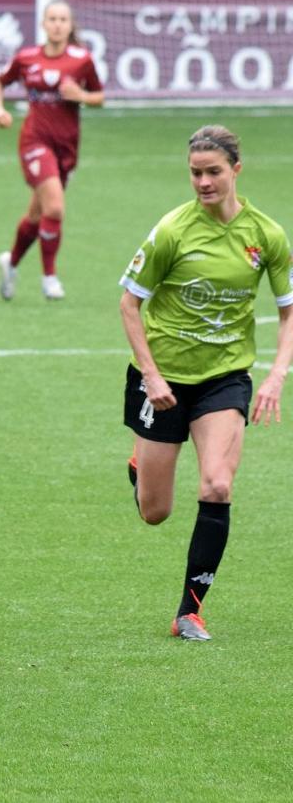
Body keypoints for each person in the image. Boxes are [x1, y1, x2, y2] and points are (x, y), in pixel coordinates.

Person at [119, 125, 293, 641]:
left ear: (236, 171)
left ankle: (188, 611)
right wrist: (150, 375)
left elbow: (288, 313)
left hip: (225, 379)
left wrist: (276, 375)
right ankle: (140, 462)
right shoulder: (173, 230)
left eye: (213, 172)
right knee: (155, 511)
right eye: (195, 172)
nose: (202, 182)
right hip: (164, 380)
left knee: (217, 482)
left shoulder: (266, 236)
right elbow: (130, 304)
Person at [0, 0, 103, 301]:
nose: (57, 24)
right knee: (54, 207)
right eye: (52, 19)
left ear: (70, 25)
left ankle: (10, 263)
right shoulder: (27, 58)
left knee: (38, 215)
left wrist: (79, 95)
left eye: (62, 19)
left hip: (66, 147)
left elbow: (99, 96)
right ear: (43, 23)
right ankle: (49, 277)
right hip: (34, 142)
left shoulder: (82, 60)